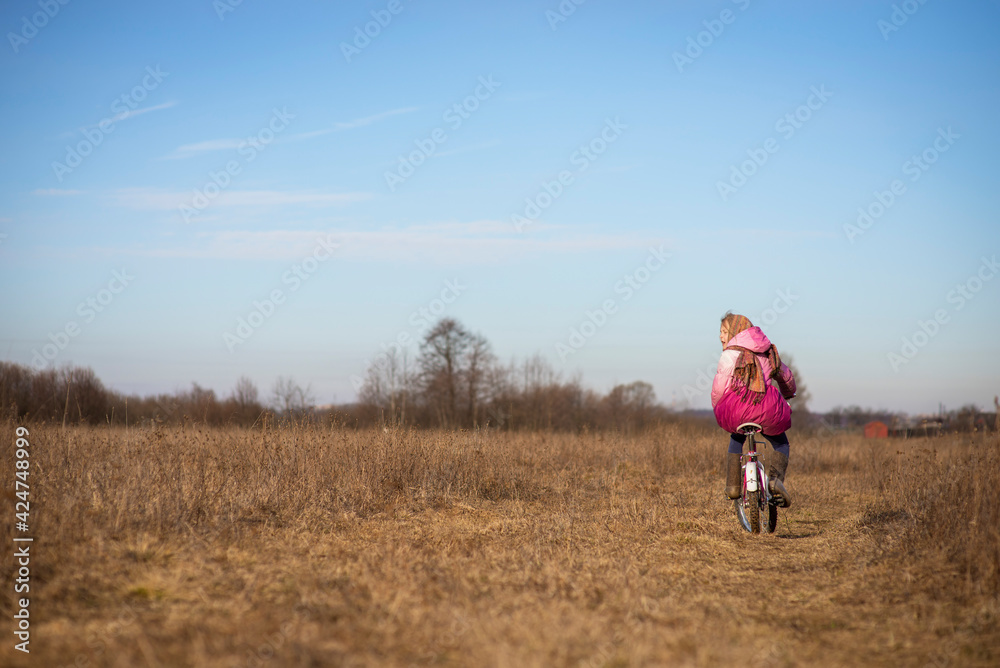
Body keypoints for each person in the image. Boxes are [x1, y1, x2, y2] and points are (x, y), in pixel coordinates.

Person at [711, 312, 797, 507]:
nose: (720, 336)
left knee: (736, 438)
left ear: (735, 332)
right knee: (781, 444)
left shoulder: (729, 355)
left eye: (724, 331)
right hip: (765, 408)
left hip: (737, 410)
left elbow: (719, 387)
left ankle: (733, 486)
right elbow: (786, 377)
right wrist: (789, 393)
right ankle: (775, 480)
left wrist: (718, 406)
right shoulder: (769, 351)